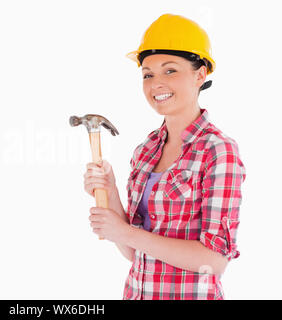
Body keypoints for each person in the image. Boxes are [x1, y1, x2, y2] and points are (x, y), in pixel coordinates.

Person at [83, 13, 246, 300]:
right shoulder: (145, 150)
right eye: (147, 74)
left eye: (170, 70)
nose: (156, 83)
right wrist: (109, 188)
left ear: (200, 74)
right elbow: (135, 253)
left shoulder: (218, 152)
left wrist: (124, 232)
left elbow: (214, 261)